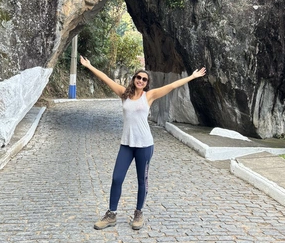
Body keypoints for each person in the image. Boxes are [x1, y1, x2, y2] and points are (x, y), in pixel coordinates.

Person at [80, 56, 206, 231]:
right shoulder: (124, 94)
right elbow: (106, 79)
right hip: (127, 144)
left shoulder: (149, 96)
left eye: (144, 79)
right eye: (138, 77)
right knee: (117, 178)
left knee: (142, 180)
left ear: (147, 83)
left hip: (145, 145)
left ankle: (138, 213)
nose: (140, 80)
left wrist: (192, 76)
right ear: (134, 79)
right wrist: (89, 65)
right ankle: (111, 214)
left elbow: (171, 86)